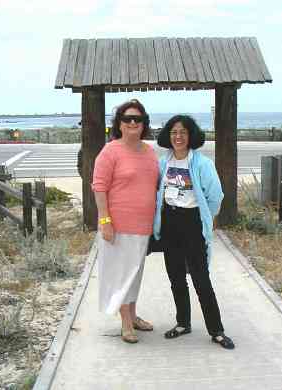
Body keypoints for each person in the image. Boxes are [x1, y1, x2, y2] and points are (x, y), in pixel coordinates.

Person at [153, 114, 235, 350]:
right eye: (174, 132)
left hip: (192, 222)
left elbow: (215, 197)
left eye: (183, 132)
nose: (178, 137)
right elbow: (157, 191)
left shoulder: (202, 164)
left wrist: (204, 219)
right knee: (176, 276)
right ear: (169, 136)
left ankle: (216, 330)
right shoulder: (163, 162)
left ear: (191, 136)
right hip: (169, 222)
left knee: (201, 278)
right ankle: (183, 323)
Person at [92, 99, 159, 344]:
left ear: (144, 124)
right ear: (119, 124)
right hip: (118, 226)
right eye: (128, 119)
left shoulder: (149, 152)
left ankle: (132, 313)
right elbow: (99, 188)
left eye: (138, 119)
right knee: (121, 275)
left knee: (135, 274)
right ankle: (126, 323)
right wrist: (105, 220)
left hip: (144, 227)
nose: (133, 122)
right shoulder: (110, 151)